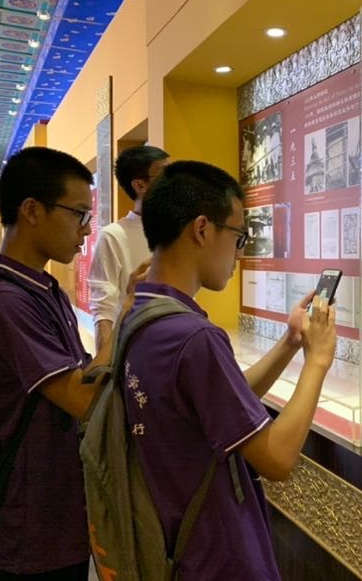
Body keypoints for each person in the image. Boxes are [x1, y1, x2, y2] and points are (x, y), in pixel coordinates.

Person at [120, 160, 337, 579]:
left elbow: (226, 398)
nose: (239, 254)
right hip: (214, 555)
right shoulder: (193, 337)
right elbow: (277, 459)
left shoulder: (141, 311)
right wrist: (318, 362)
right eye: (238, 237)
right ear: (202, 229)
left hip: (172, 545)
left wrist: (291, 342)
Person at [0, 147, 144, 580]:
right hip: (34, 523)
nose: (86, 229)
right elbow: (83, 399)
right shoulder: (4, 302)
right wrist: (126, 312)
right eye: (79, 214)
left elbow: (84, 376)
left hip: (61, 510)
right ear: (32, 210)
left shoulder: (43, 289)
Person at [88, 145, 168, 353]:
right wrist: (106, 367)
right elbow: (103, 310)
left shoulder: (180, 230)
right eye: (165, 175)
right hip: (135, 349)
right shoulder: (113, 236)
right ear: (139, 185)